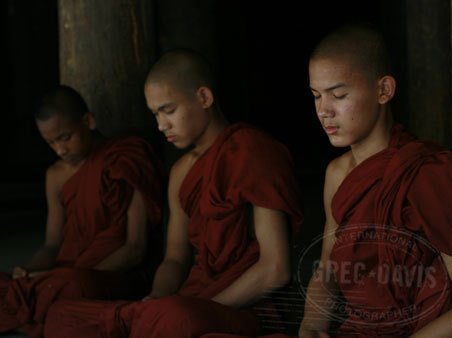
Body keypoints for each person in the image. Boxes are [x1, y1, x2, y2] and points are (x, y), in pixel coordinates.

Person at [43, 49, 304, 337]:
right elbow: (175, 259)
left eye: (168, 110)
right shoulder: (181, 172)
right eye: (155, 114)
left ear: (204, 98)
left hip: (243, 306)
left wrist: (201, 309)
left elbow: (275, 268)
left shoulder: (252, 152)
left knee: (176, 319)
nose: (160, 125)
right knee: (61, 314)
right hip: (188, 302)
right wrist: (156, 297)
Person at [297, 22, 452, 337]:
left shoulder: (426, 173)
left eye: (338, 95)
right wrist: (311, 324)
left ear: (384, 90)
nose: (324, 111)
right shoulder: (337, 175)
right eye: (316, 96)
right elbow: (328, 268)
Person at [0, 85, 164, 338]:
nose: (60, 150)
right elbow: (53, 245)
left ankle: (33, 314)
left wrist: (74, 275)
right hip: (67, 274)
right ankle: (41, 310)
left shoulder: (125, 159)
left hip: (114, 274)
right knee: (18, 285)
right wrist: (28, 270)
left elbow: (135, 248)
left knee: (71, 287)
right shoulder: (55, 175)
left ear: (88, 121)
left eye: (65, 137)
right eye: (50, 142)